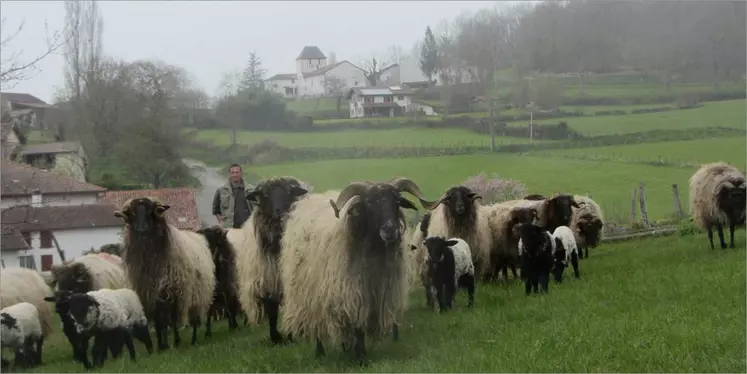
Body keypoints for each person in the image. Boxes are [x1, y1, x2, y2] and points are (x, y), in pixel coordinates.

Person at [212, 163, 254, 228]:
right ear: (230, 174)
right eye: (233, 172)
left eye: (237, 172)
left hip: (246, 227)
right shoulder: (221, 190)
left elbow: (257, 208)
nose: (235, 175)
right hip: (229, 228)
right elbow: (215, 208)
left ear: (241, 173)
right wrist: (220, 220)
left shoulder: (250, 190)